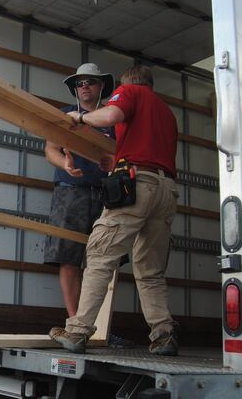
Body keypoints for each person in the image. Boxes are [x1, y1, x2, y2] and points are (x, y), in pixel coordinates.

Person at [49, 65, 180, 356]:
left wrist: (80, 117)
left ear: (127, 84)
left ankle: (78, 331)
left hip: (139, 185)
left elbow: (110, 115)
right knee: (150, 270)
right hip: (166, 189)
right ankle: (163, 334)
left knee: (99, 256)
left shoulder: (129, 92)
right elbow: (144, 147)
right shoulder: (167, 113)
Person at [43, 63, 132, 349]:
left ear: (101, 87)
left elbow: (126, 155)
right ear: (75, 88)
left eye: (91, 82)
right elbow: (51, 150)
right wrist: (66, 166)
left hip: (109, 194)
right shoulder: (64, 116)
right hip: (71, 192)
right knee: (69, 258)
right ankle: (75, 326)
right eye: (80, 82)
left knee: (105, 260)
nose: (85, 86)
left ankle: (100, 330)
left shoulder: (113, 118)